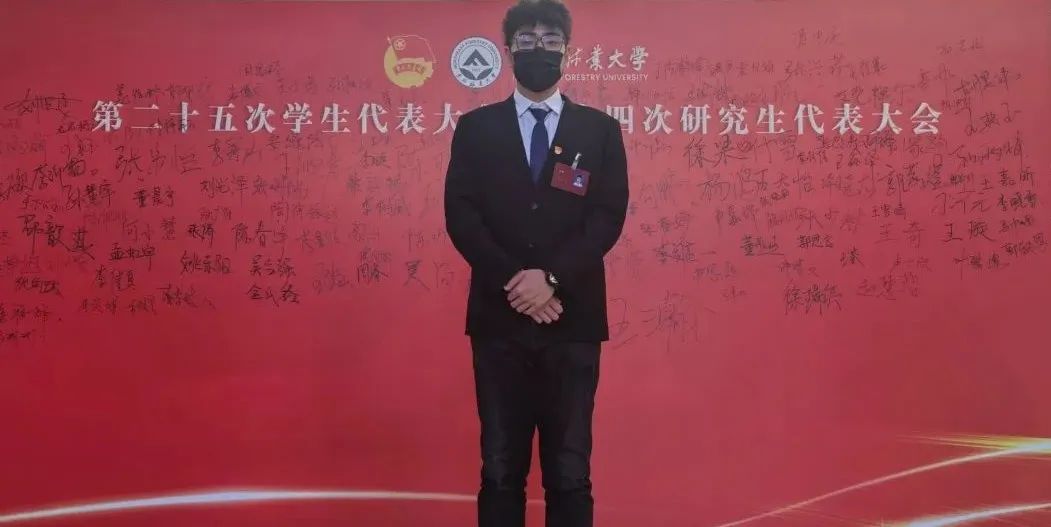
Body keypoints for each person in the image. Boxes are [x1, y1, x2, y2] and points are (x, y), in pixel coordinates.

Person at [443, 1, 629, 525]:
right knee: (500, 469)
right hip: (498, 323)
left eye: (550, 39)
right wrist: (516, 282)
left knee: (570, 472)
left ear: (566, 50)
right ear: (509, 51)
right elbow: (462, 216)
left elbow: (606, 216)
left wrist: (550, 279)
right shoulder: (476, 128)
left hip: (572, 321)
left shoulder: (599, 130)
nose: (538, 48)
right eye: (527, 39)